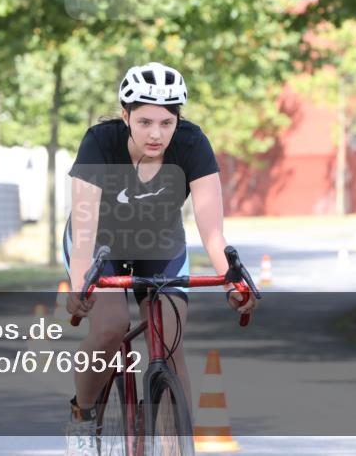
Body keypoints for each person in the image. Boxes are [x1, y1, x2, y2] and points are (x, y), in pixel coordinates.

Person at [62, 61, 258, 456]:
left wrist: (233, 281)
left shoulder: (192, 144)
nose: (156, 134)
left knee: (169, 343)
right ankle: (83, 417)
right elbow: (84, 227)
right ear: (126, 116)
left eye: (167, 123)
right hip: (100, 244)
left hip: (160, 243)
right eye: (146, 121)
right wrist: (81, 283)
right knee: (110, 327)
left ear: (178, 121)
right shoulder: (99, 142)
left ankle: (175, 446)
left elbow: (212, 231)